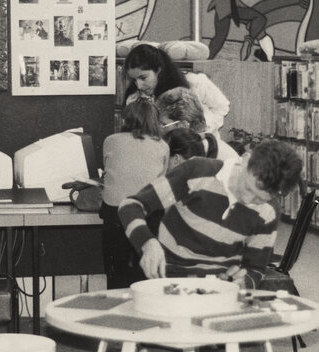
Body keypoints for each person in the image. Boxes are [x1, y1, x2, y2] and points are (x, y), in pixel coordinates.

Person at [115, 139, 303, 352]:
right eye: (248, 190)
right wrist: (147, 243)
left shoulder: (267, 211)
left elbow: (255, 267)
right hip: (171, 289)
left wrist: (245, 278)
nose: (249, 201)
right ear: (245, 158)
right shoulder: (198, 172)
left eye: (259, 199)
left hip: (219, 296)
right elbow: (130, 206)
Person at [100, 98, 169, 291]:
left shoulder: (111, 141)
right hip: (149, 219)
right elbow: (162, 179)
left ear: (125, 119)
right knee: (146, 279)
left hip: (115, 216)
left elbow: (108, 169)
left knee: (116, 279)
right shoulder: (162, 146)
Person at [122, 43, 230, 135]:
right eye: (134, 80)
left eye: (143, 78)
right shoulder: (134, 98)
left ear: (158, 70)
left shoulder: (194, 82)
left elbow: (222, 107)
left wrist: (203, 128)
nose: (139, 86)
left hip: (200, 145)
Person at [155, 86, 239, 161]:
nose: (157, 130)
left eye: (162, 124)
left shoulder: (215, 158)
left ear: (183, 126)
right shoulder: (199, 147)